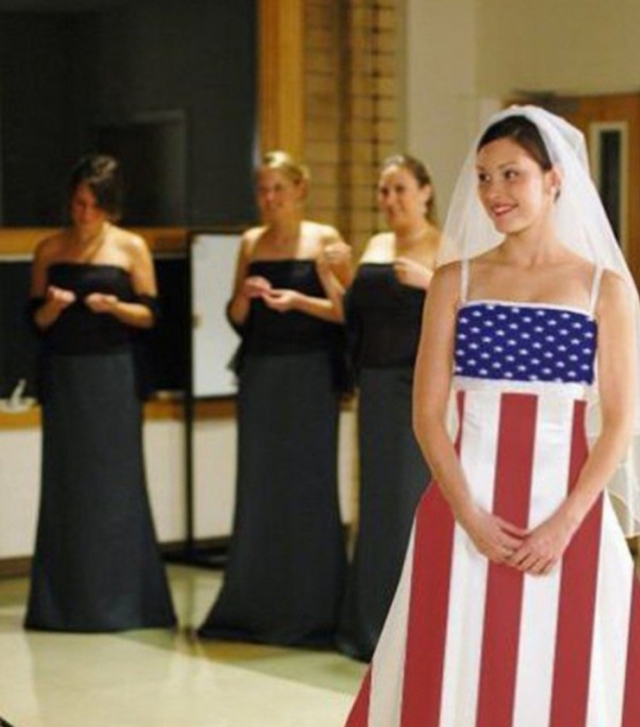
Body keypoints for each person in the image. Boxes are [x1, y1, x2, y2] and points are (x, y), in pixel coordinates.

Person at [181, 108, 640, 727]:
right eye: (484, 177)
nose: (495, 193)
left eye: (513, 177)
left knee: (558, 705)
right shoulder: (456, 278)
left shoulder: (605, 285)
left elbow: (620, 422)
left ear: (555, 180)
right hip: (463, 524)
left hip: (568, 531)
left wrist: (564, 523)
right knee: (464, 697)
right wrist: (471, 515)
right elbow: (426, 416)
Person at [198, 151, 351, 647]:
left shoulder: (324, 238)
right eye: (262, 190)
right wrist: (245, 295)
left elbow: (346, 314)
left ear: (299, 189)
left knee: (309, 482)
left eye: (277, 190)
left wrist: (297, 301)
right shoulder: (250, 241)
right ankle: (256, 600)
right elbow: (238, 318)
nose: (269, 199)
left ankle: (315, 604)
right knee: (261, 483)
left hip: (310, 374)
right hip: (261, 373)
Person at [25, 153, 176, 632]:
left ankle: (125, 600)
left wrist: (115, 307)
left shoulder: (131, 247)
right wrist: (52, 307)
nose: (83, 213)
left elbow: (150, 316)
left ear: (109, 206)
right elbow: (35, 323)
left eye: (93, 205)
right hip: (66, 376)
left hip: (113, 376)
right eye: (77, 204)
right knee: (68, 485)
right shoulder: (50, 249)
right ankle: (63, 602)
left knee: (116, 485)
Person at [335, 154, 439, 662]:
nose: (390, 200)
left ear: (425, 192)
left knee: (406, 498)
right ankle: (368, 620)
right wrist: (332, 276)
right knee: (374, 498)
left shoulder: (446, 246)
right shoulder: (376, 244)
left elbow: (468, 315)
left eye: (399, 189)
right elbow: (350, 315)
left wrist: (432, 283)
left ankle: (411, 627)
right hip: (374, 385)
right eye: (383, 191)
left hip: (416, 387)